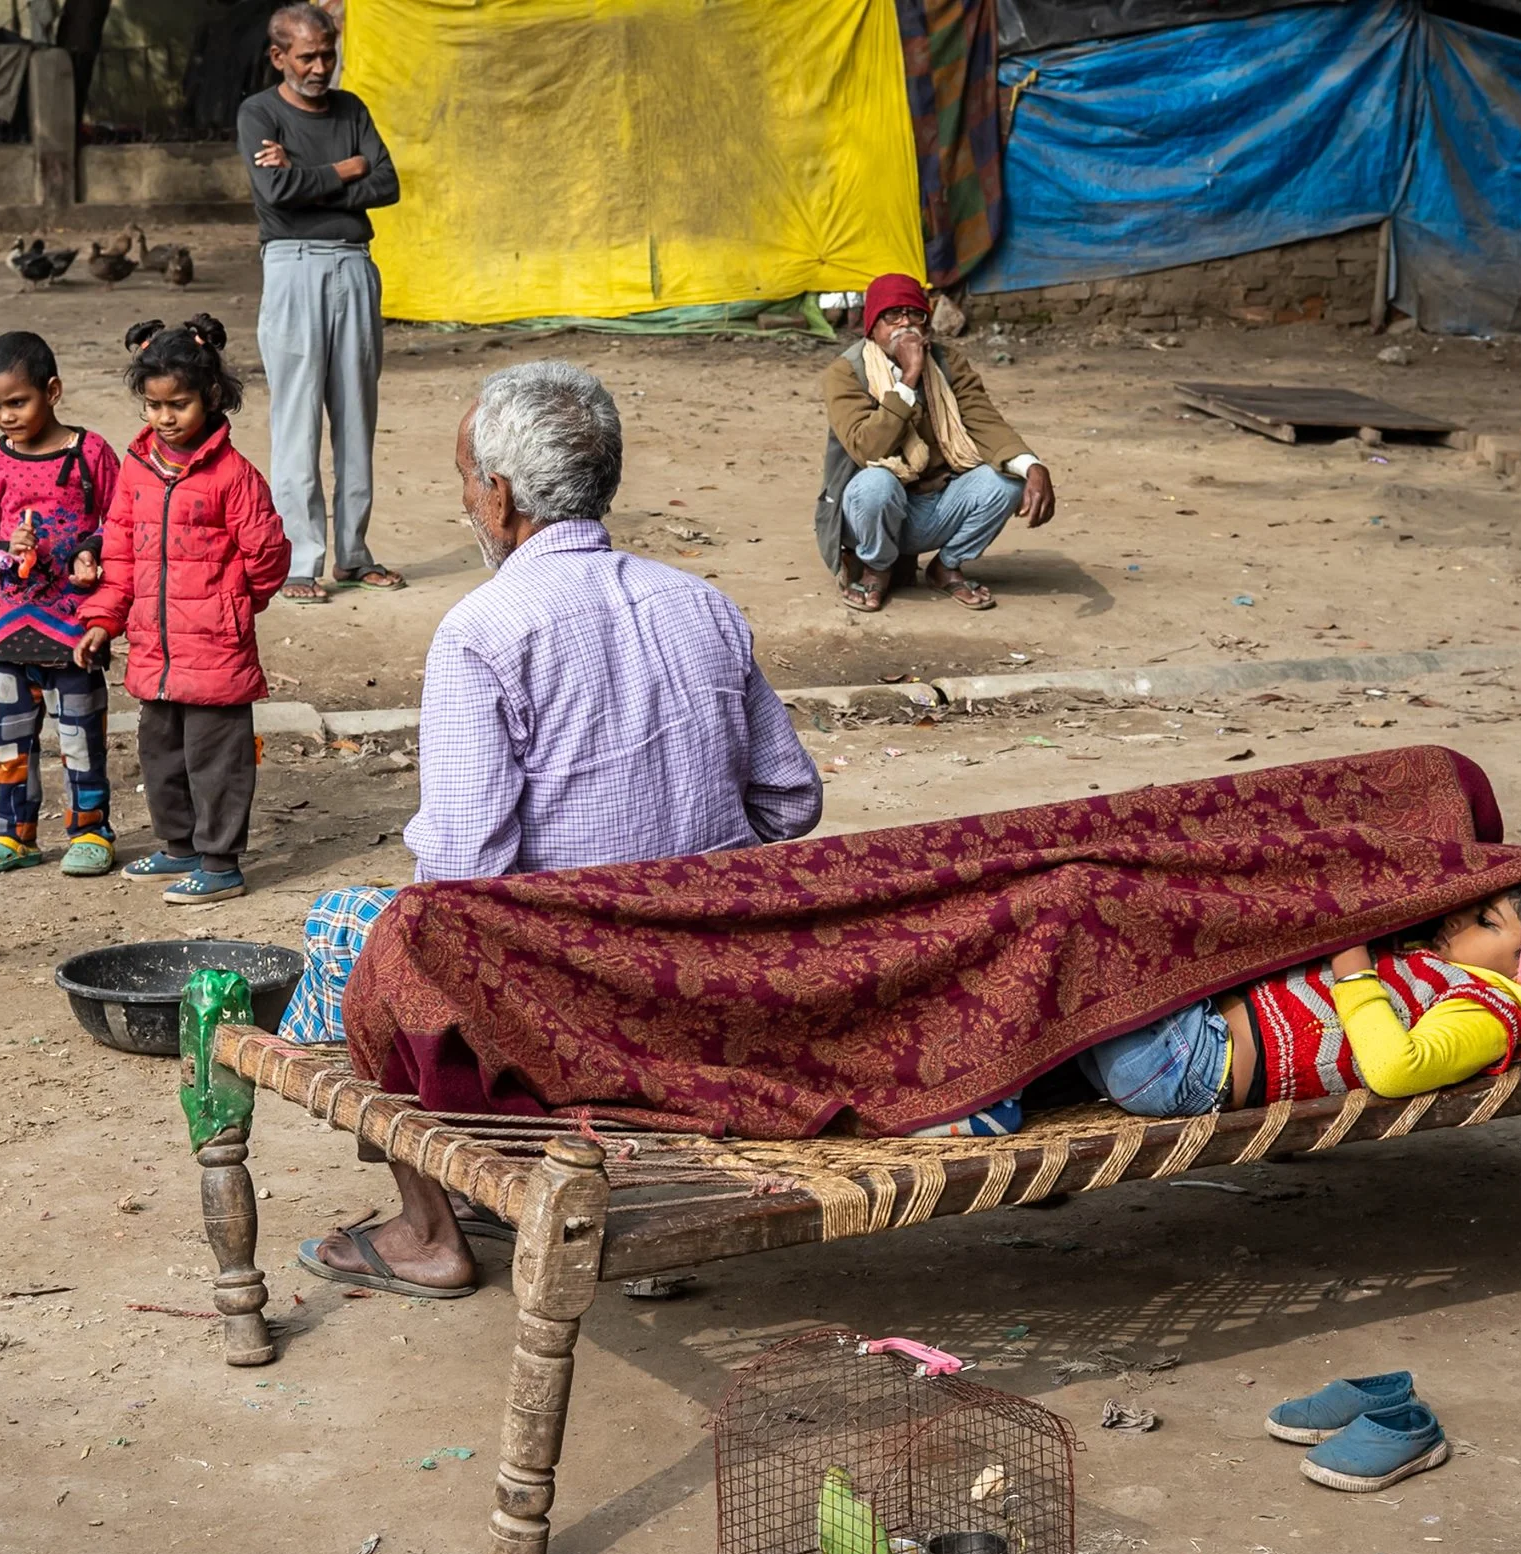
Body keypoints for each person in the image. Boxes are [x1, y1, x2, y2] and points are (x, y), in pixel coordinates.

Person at [282, 359, 825, 1296]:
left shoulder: (483, 632)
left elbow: (456, 881)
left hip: (566, 1004)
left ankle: (428, 1230)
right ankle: (623, 1182)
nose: (465, 499)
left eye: (465, 479)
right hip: (703, 986)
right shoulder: (700, 603)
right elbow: (791, 803)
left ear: (498, 497)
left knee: (350, 932)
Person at [996, 871, 1521, 1130]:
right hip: (1179, 1041)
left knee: (1083, 916)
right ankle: (985, 1101)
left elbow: (1395, 1068)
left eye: (1487, 922)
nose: (1460, 920)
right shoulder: (1442, 960)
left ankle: (990, 1098)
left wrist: (1354, 968)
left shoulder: (1491, 1010)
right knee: (1090, 926)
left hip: (1187, 1065)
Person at [74, 315, 291, 906]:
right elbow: (118, 552)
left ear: (213, 397)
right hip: (154, 649)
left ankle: (221, 863)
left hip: (216, 650)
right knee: (162, 752)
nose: (165, 418)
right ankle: (180, 846)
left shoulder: (234, 477)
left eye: (180, 404)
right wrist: (102, 621)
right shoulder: (136, 472)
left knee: (216, 760)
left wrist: (235, 605)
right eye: (153, 405)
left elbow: (267, 554)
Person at [238, 0, 402, 604]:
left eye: (327, 53)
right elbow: (275, 195)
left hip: (355, 268)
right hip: (292, 269)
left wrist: (311, 174)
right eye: (307, 55)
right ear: (279, 56)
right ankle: (300, 560)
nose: (319, 66)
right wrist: (343, 169)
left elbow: (387, 183)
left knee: (357, 417)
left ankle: (354, 556)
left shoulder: (352, 107)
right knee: (297, 418)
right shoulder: (258, 112)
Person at [0, 330, 122, 876]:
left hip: (74, 628)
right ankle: (13, 834)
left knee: (80, 738)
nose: (5, 415)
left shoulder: (90, 452)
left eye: (17, 402)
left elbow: (118, 522)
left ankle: (92, 831)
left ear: (52, 391)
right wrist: (4, 552)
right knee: (9, 740)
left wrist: (90, 554)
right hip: (7, 629)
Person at [816, 272, 1056, 614]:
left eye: (915, 314)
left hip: (934, 506)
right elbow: (867, 448)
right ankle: (876, 568)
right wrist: (908, 380)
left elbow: (983, 420)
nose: (906, 323)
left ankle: (946, 566)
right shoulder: (846, 372)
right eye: (893, 315)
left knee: (1005, 482)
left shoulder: (947, 363)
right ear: (872, 327)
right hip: (870, 515)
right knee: (876, 484)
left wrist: (1031, 465)